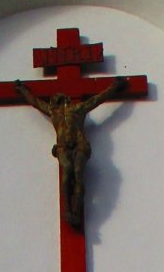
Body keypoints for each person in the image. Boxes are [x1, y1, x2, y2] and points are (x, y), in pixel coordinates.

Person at [12, 75, 129, 230]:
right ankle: (68, 210)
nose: (60, 103)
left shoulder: (78, 109)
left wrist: (114, 87)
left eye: (61, 100)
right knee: (67, 172)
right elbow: (35, 102)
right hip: (63, 147)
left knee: (78, 172)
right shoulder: (53, 112)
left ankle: (76, 211)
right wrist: (22, 90)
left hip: (80, 145)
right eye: (57, 100)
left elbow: (97, 99)